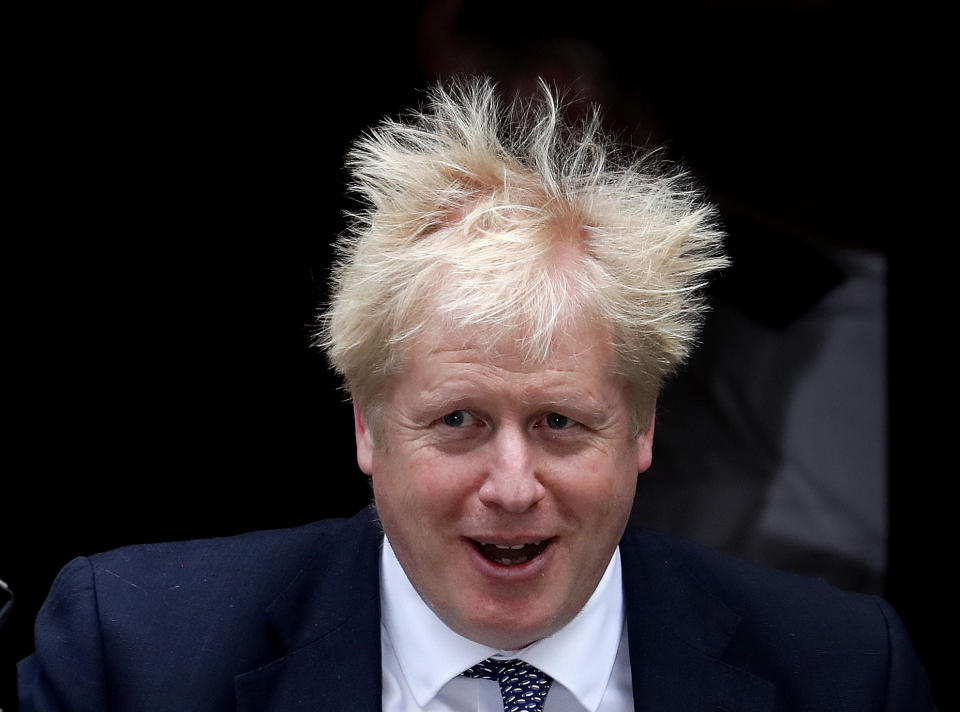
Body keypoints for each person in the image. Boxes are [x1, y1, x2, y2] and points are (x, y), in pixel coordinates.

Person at [18, 78, 935, 711]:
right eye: (458, 420)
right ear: (368, 427)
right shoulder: (133, 652)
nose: (511, 485)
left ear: (644, 428)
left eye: (560, 423)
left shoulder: (845, 672)